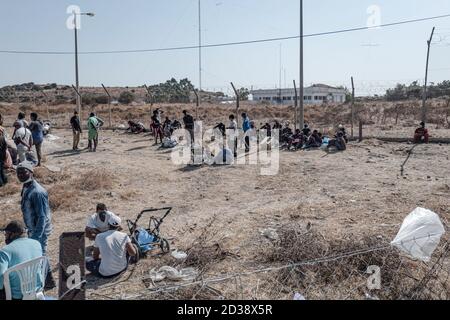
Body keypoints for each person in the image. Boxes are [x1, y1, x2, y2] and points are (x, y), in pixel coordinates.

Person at [16, 161, 55, 289]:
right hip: (32, 228)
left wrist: (36, 237)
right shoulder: (26, 187)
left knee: (40, 255)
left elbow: (42, 216)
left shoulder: (37, 192)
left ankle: (45, 283)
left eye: (23, 172)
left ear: (31, 172)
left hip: (39, 230)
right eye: (18, 172)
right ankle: (48, 281)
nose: (20, 175)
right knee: (40, 255)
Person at [0, 221, 43, 300]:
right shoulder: (37, 244)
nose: (5, 236)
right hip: (36, 291)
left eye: (6, 234)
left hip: (17, 296)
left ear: (12, 234)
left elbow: (0, 280)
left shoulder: (5, 251)